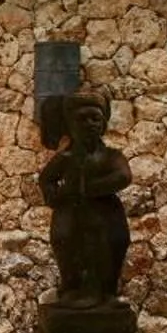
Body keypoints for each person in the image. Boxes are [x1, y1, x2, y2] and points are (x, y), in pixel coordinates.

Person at [37, 90, 131, 309]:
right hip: (70, 212)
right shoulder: (65, 158)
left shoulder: (111, 156)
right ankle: (73, 289)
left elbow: (123, 176)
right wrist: (55, 195)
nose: (89, 124)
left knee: (112, 244)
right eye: (81, 119)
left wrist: (86, 188)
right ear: (70, 124)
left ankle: (107, 291)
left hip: (106, 214)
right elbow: (46, 180)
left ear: (103, 124)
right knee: (67, 242)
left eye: (95, 118)